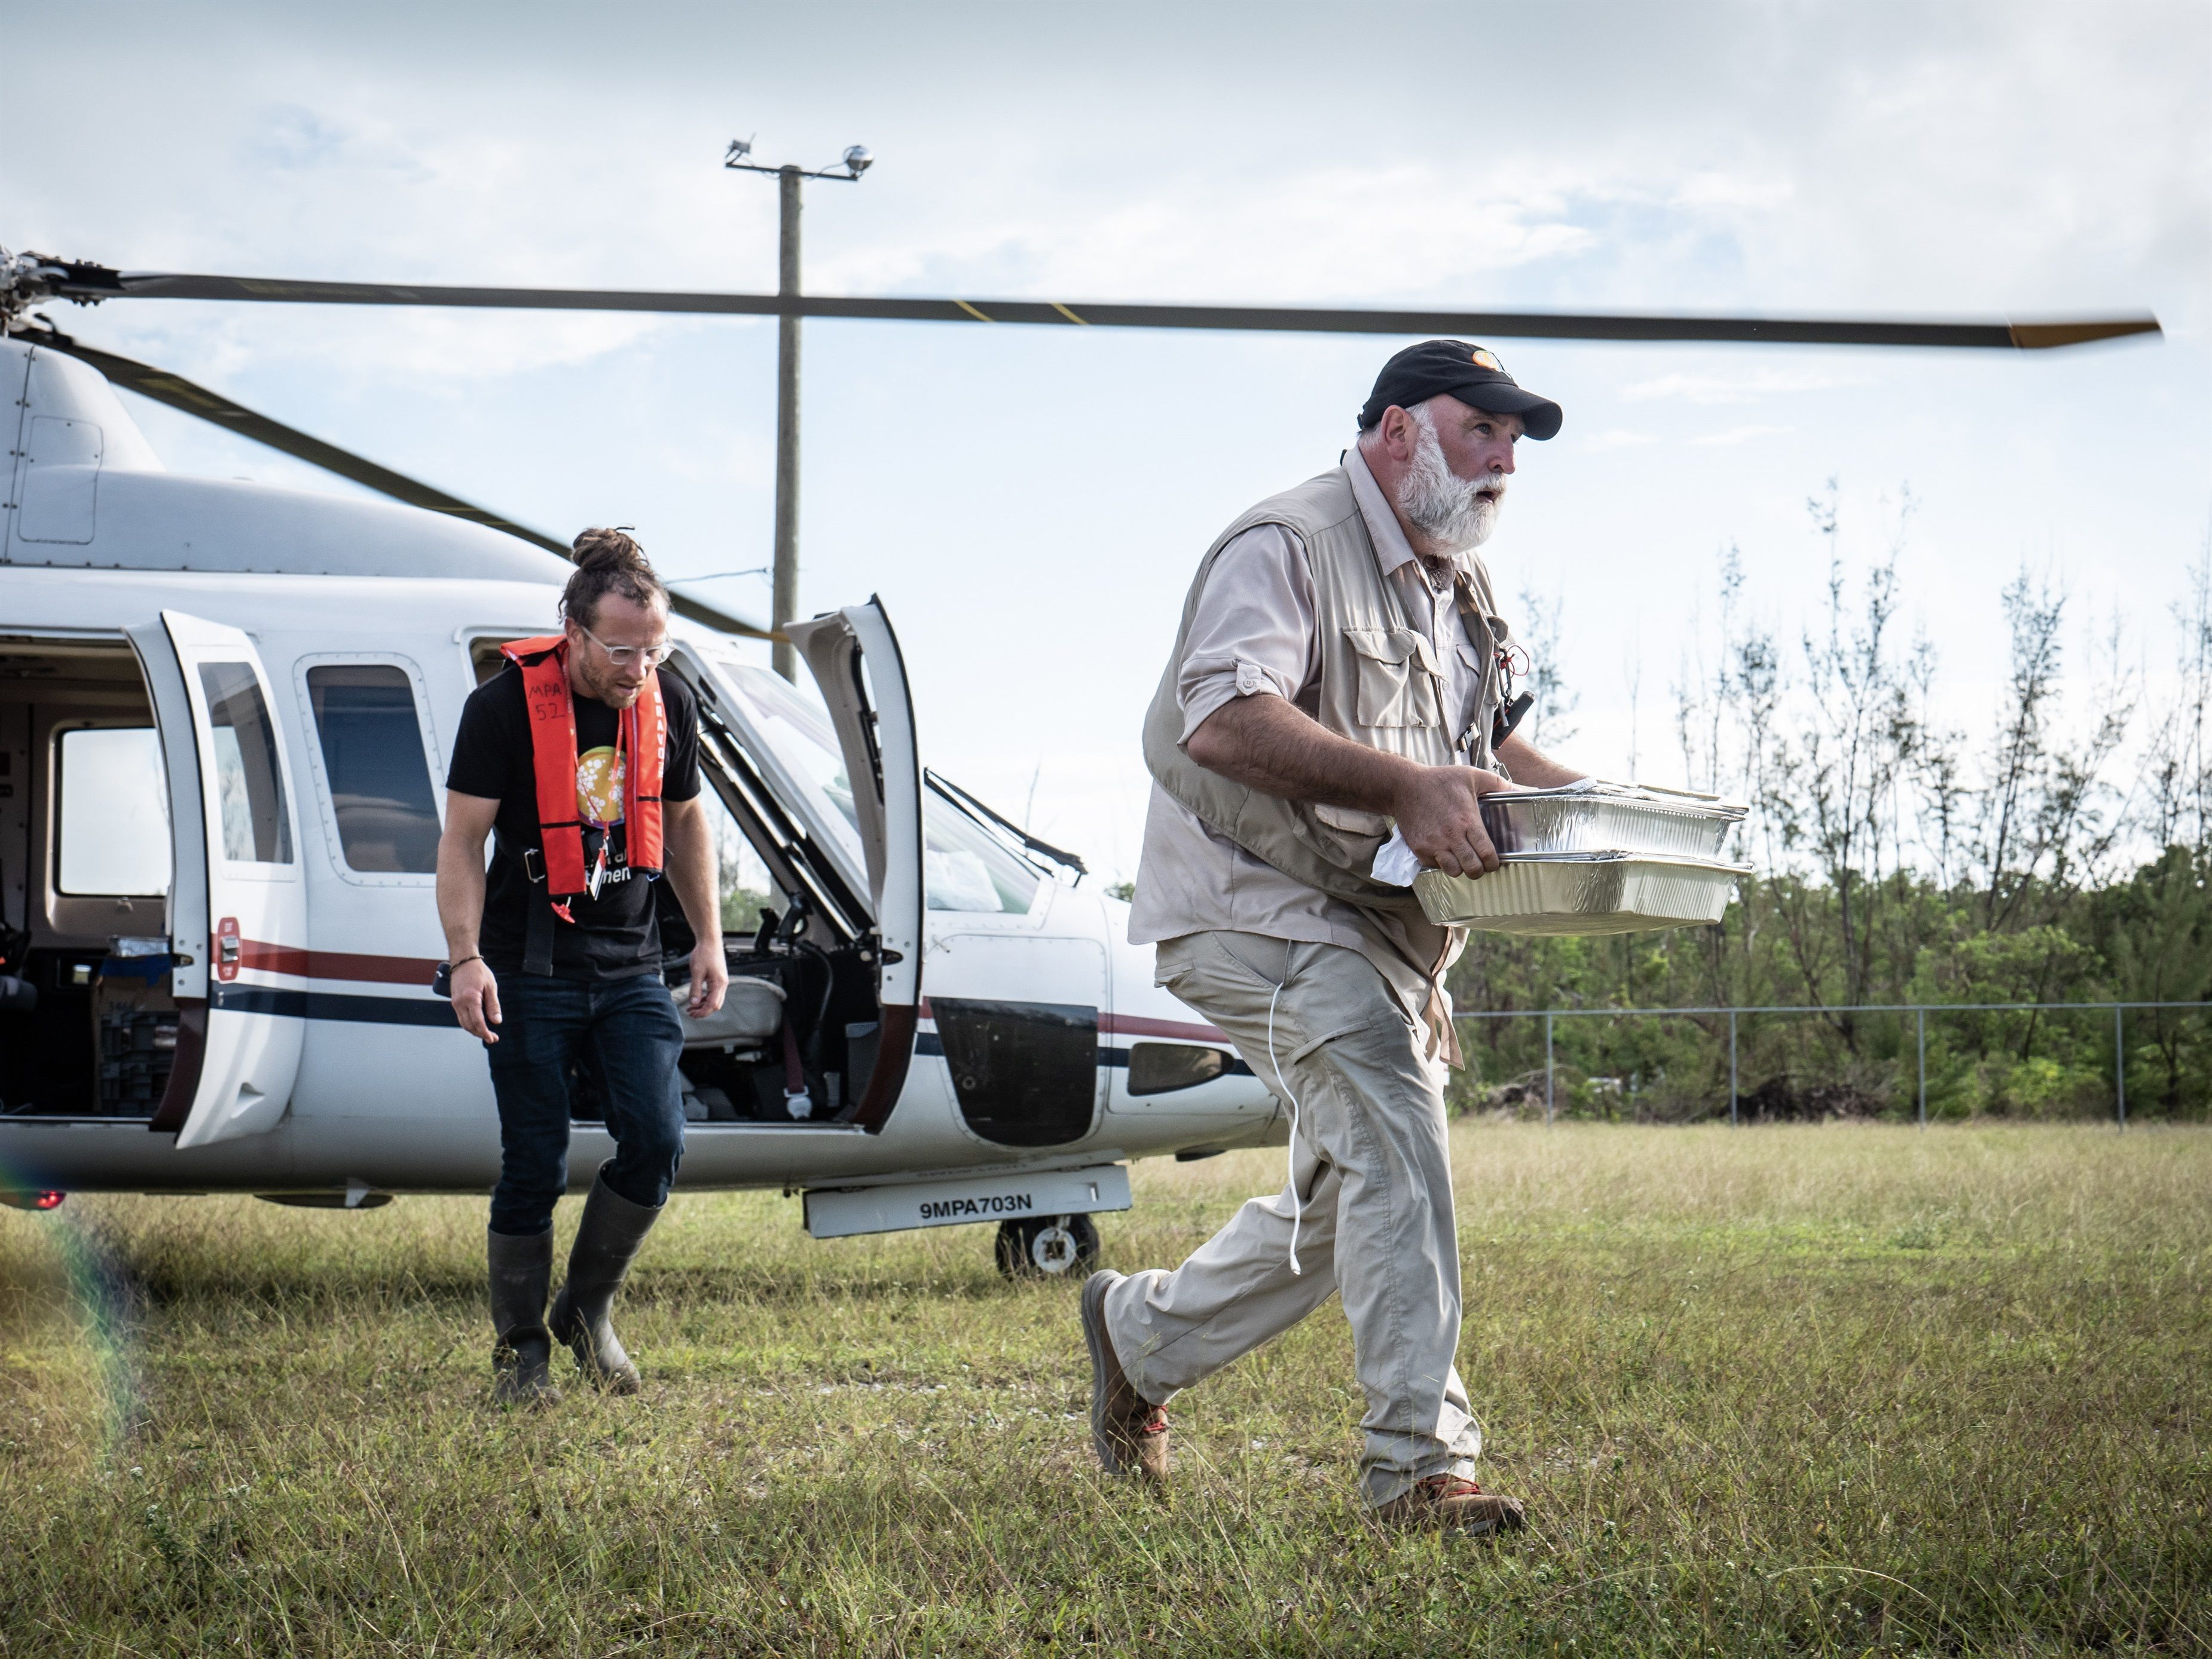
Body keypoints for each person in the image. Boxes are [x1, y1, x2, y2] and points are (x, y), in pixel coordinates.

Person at [1081, 341, 1585, 1532]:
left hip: (1376, 932)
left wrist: (1623, 820)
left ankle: (1132, 1335)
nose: (1504, 461)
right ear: (1398, 429)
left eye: (1515, 444)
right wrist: (1406, 787)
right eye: (1482, 431)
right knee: (1396, 1141)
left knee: (1341, 1198)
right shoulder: (1286, 542)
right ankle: (1417, 1465)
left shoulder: (1458, 583)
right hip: (1249, 910)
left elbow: (1493, 752)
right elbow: (1218, 717)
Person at [436, 528, 729, 1407]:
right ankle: (521, 1350)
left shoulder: (667, 701)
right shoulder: (500, 707)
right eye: (621, 650)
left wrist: (708, 937)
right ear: (571, 629)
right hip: (529, 965)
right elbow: (461, 842)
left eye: (655, 649)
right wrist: (465, 959)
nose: (640, 668)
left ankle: (585, 1311)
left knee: (657, 1140)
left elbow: (683, 823)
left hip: (633, 962)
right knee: (535, 1158)